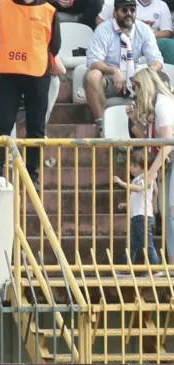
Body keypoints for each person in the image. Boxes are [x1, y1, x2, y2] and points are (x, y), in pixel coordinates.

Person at [0, 0, 60, 181]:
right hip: (9, 74)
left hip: (37, 75)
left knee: (36, 127)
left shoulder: (49, 10)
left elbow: (54, 46)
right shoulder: (2, 5)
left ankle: (32, 173)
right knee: (2, 124)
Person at [85, 0, 163, 136]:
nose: (129, 14)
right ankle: (102, 126)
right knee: (92, 76)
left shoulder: (143, 29)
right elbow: (93, 61)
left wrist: (146, 75)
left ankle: (149, 130)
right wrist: (114, 71)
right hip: (110, 77)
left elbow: (157, 60)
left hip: (135, 77)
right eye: (124, 10)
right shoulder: (103, 29)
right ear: (115, 12)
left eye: (132, 11)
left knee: (156, 76)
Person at [126, 67, 174, 264]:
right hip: (168, 162)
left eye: (136, 85)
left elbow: (167, 142)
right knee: (166, 214)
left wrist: (150, 173)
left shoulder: (163, 104)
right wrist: (135, 119)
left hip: (169, 159)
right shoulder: (155, 105)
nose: (134, 90)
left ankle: (172, 266)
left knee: (171, 213)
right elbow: (149, 139)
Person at [0, 48, 65, 127]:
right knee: (8, 95)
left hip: (21, 106)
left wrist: (46, 46)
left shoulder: (33, 51)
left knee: (54, 80)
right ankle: (11, 147)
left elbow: (61, 70)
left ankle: (40, 125)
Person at [113, 149, 162, 266]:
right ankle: (126, 268)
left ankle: (156, 268)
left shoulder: (146, 177)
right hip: (137, 217)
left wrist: (122, 183)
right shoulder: (137, 179)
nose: (131, 167)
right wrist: (127, 204)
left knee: (147, 245)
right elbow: (140, 197)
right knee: (132, 245)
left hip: (143, 217)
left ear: (144, 168)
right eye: (131, 165)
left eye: (134, 165)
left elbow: (140, 189)